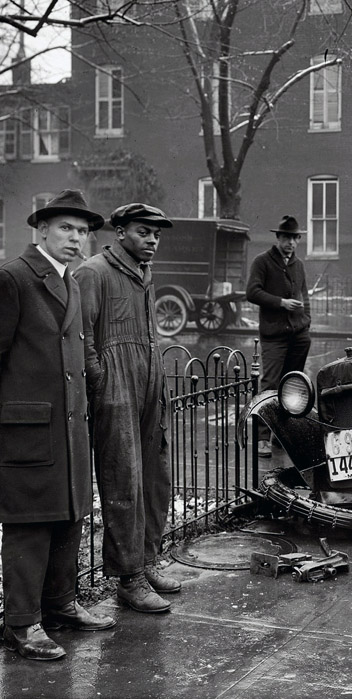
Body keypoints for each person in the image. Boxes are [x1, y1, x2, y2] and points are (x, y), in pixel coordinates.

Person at [0, 190, 115, 661]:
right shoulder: (14, 278)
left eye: (83, 230)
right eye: (66, 227)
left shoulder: (69, 280)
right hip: (28, 429)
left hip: (67, 426)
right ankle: (21, 625)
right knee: (29, 525)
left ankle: (60, 605)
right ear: (42, 229)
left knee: (69, 516)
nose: (76, 237)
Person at [75, 202, 178, 613]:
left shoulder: (142, 272)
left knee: (156, 479)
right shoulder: (94, 273)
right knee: (123, 482)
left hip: (149, 383)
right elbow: (82, 337)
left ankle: (147, 560)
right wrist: (101, 381)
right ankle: (128, 577)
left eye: (156, 233)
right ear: (119, 232)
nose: (151, 239)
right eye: (142, 231)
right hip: (116, 390)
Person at [246, 215, 311, 457]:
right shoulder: (262, 262)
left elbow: (305, 297)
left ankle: (280, 436)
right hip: (274, 336)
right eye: (286, 237)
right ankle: (262, 437)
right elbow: (252, 292)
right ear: (278, 238)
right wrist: (281, 303)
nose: (290, 243)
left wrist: (306, 323)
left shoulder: (299, 265)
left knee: (292, 385)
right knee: (270, 384)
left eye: (295, 238)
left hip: (299, 336)